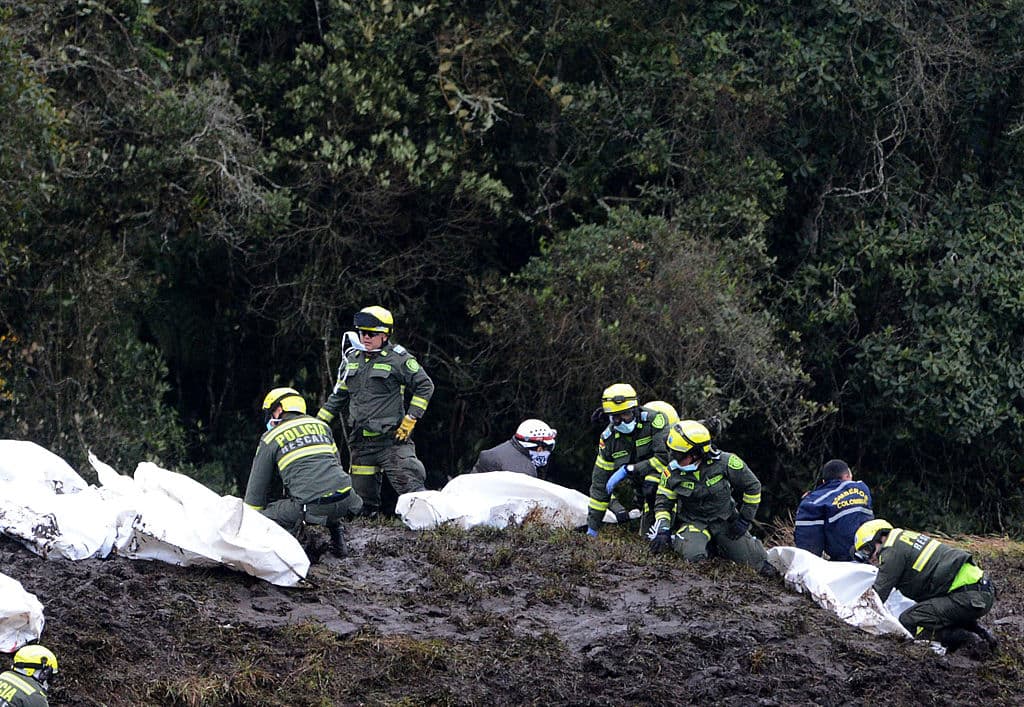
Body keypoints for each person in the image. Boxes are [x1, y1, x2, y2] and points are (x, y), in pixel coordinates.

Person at [317, 306, 434, 516]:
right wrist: (317, 424)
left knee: (414, 494)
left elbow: (425, 386)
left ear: (384, 335)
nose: (365, 338)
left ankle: (435, 534)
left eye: (371, 334)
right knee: (360, 506)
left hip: (393, 440)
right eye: (362, 333)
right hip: (361, 444)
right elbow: (338, 398)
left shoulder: (398, 359)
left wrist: (411, 418)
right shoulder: (352, 360)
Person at [245, 387, 362, 557]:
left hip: (313, 507)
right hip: (347, 500)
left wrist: (249, 521)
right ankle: (337, 538)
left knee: (265, 515)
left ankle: (302, 546)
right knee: (326, 490)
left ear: (279, 409)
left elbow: (255, 495)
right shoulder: (322, 426)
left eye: (270, 413)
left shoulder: (271, 437)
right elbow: (335, 467)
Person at [853, 519, 998, 653]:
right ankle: (983, 636)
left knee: (910, 619)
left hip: (968, 595)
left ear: (880, 537)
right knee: (932, 612)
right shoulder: (903, 538)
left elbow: (877, 597)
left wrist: (854, 620)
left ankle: (968, 640)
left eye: (867, 550)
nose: (870, 558)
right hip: (979, 591)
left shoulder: (891, 550)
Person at [649, 420, 773, 574]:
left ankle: (725, 545)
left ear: (696, 454)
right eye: (671, 452)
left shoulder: (726, 463)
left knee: (759, 564)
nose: (673, 458)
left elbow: (753, 486)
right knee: (693, 557)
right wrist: (663, 530)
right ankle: (704, 546)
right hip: (693, 522)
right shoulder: (670, 473)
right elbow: (663, 504)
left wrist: (744, 519)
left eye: (678, 455)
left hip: (725, 521)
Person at [586, 383, 671, 537]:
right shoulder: (609, 439)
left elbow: (664, 458)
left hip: (664, 480)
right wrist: (592, 528)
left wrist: (630, 469)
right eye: (615, 417)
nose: (621, 421)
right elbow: (599, 485)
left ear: (635, 409)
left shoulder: (654, 421)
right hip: (635, 489)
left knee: (651, 483)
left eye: (625, 414)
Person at [794, 459, 873, 561]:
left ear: (824, 482)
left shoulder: (814, 502)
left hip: (843, 560)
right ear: (848, 476)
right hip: (869, 555)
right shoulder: (863, 488)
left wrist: (808, 498)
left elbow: (808, 548)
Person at [471, 419, 558, 478]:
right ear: (538, 448)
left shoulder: (502, 450)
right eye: (547, 448)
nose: (547, 452)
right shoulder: (524, 472)